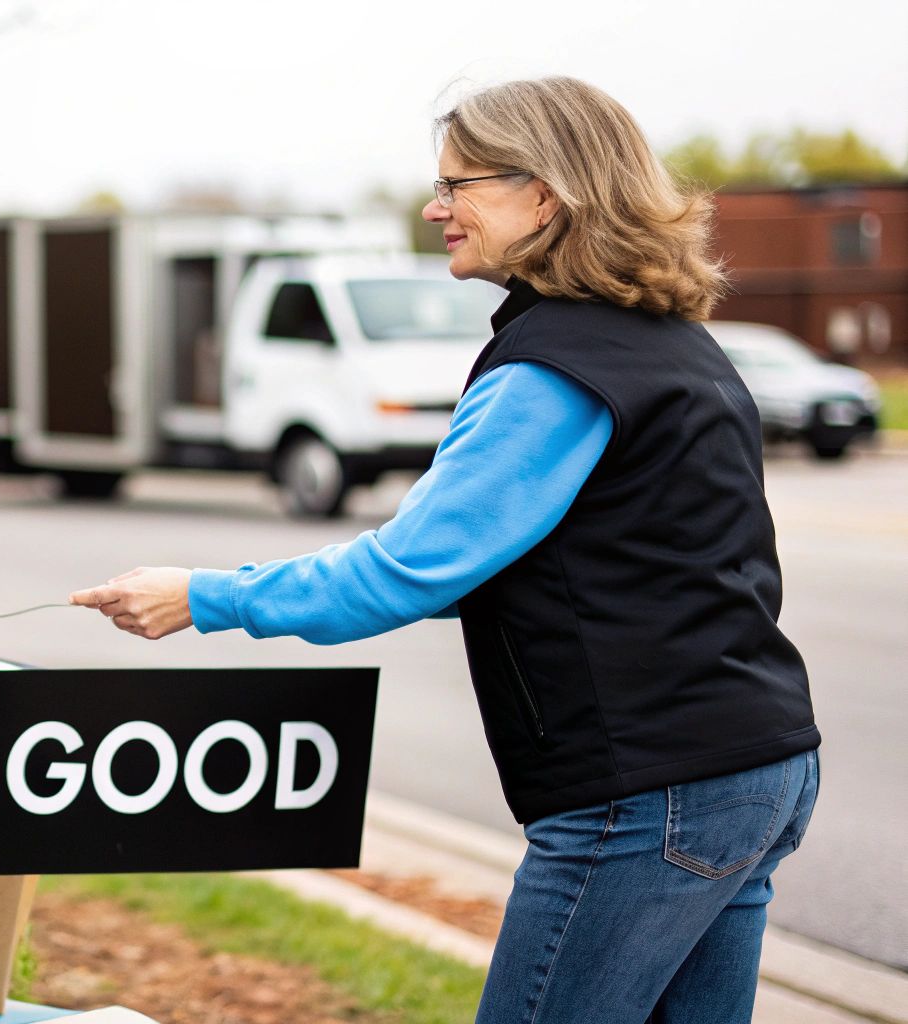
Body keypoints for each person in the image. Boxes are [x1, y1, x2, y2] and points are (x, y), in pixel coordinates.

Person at [70, 78, 819, 1024]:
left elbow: (401, 572)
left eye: (460, 184)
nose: (436, 207)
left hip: (648, 795)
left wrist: (203, 597)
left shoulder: (554, 367)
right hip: (758, 765)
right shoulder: (676, 345)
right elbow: (567, 560)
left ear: (545, 196)